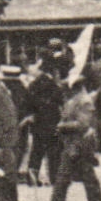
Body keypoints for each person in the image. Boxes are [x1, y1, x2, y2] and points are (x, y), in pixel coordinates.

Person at [45, 71, 101, 201]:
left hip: (81, 142)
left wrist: (62, 126)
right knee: (65, 174)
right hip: (72, 142)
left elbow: (83, 124)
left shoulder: (84, 101)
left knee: (86, 175)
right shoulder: (74, 100)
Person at [21, 59, 63, 187]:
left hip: (38, 121)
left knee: (37, 151)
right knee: (53, 152)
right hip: (51, 121)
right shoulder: (52, 84)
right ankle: (54, 177)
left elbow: (28, 103)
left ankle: (32, 178)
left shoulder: (33, 85)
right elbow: (60, 99)